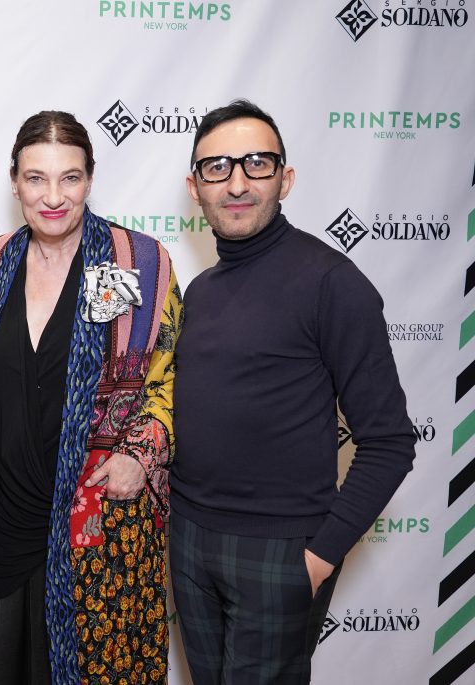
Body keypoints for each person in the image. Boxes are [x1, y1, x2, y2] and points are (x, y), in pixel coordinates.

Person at [170, 99, 416, 684]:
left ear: (286, 177)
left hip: (280, 554)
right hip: (188, 542)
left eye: (256, 163)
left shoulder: (333, 283)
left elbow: (389, 443)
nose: (235, 183)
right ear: (194, 186)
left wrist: (314, 559)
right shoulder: (200, 291)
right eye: (216, 167)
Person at [0, 111, 183, 684]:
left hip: (98, 516)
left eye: (70, 178)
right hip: (11, 513)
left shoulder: (132, 261)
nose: (53, 196)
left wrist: (139, 456)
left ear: (90, 180)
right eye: (36, 178)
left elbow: (166, 376)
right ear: (14, 181)